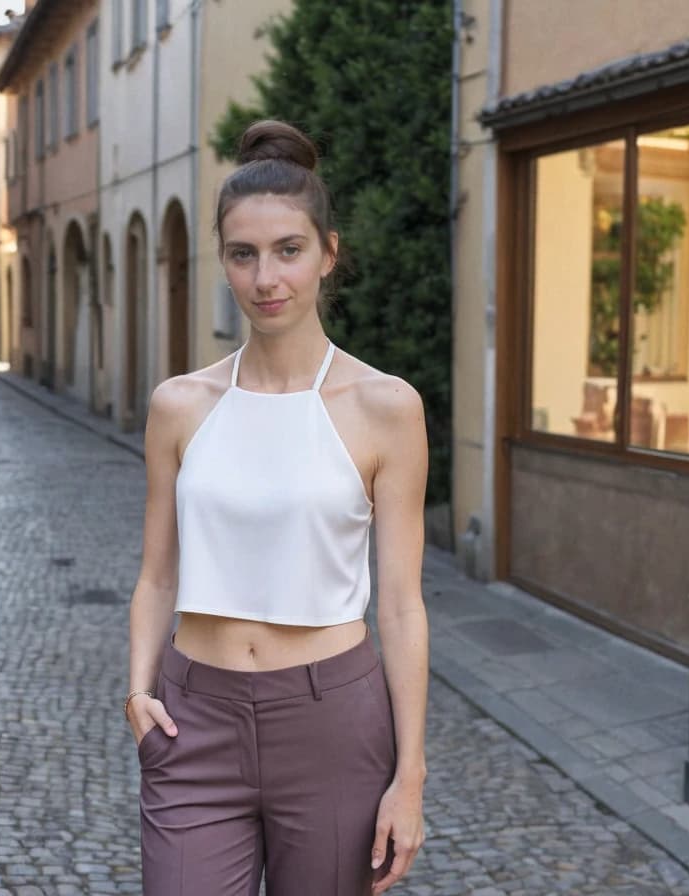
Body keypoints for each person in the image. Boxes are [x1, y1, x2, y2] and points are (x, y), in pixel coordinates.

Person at [125, 119, 429, 896]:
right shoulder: (179, 406)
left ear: (327, 253)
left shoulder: (385, 407)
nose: (268, 278)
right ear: (223, 262)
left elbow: (398, 604)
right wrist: (138, 690)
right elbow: (158, 575)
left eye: (289, 250)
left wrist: (411, 777)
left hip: (334, 724)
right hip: (195, 720)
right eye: (244, 254)